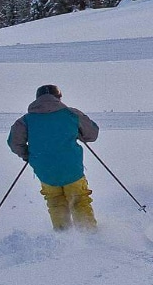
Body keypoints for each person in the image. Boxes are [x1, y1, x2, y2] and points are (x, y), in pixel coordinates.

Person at [7, 84, 100, 231]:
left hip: (45, 170)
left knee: (55, 201)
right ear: (58, 97)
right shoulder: (71, 114)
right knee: (79, 200)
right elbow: (92, 134)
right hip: (71, 168)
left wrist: (27, 155)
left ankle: (63, 236)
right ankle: (89, 234)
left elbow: (14, 142)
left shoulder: (25, 121)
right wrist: (77, 133)